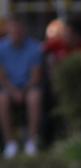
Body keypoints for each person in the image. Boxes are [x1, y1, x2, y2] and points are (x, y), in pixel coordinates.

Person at [0, 15, 43, 158]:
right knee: (2, 100)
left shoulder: (34, 48)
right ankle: (9, 143)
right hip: (9, 88)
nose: (15, 34)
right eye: (12, 31)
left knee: (34, 98)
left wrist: (23, 92)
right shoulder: (1, 48)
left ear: (23, 30)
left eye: (18, 30)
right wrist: (13, 91)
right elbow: (2, 76)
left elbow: (36, 76)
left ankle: (32, 141)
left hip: (28, 87)